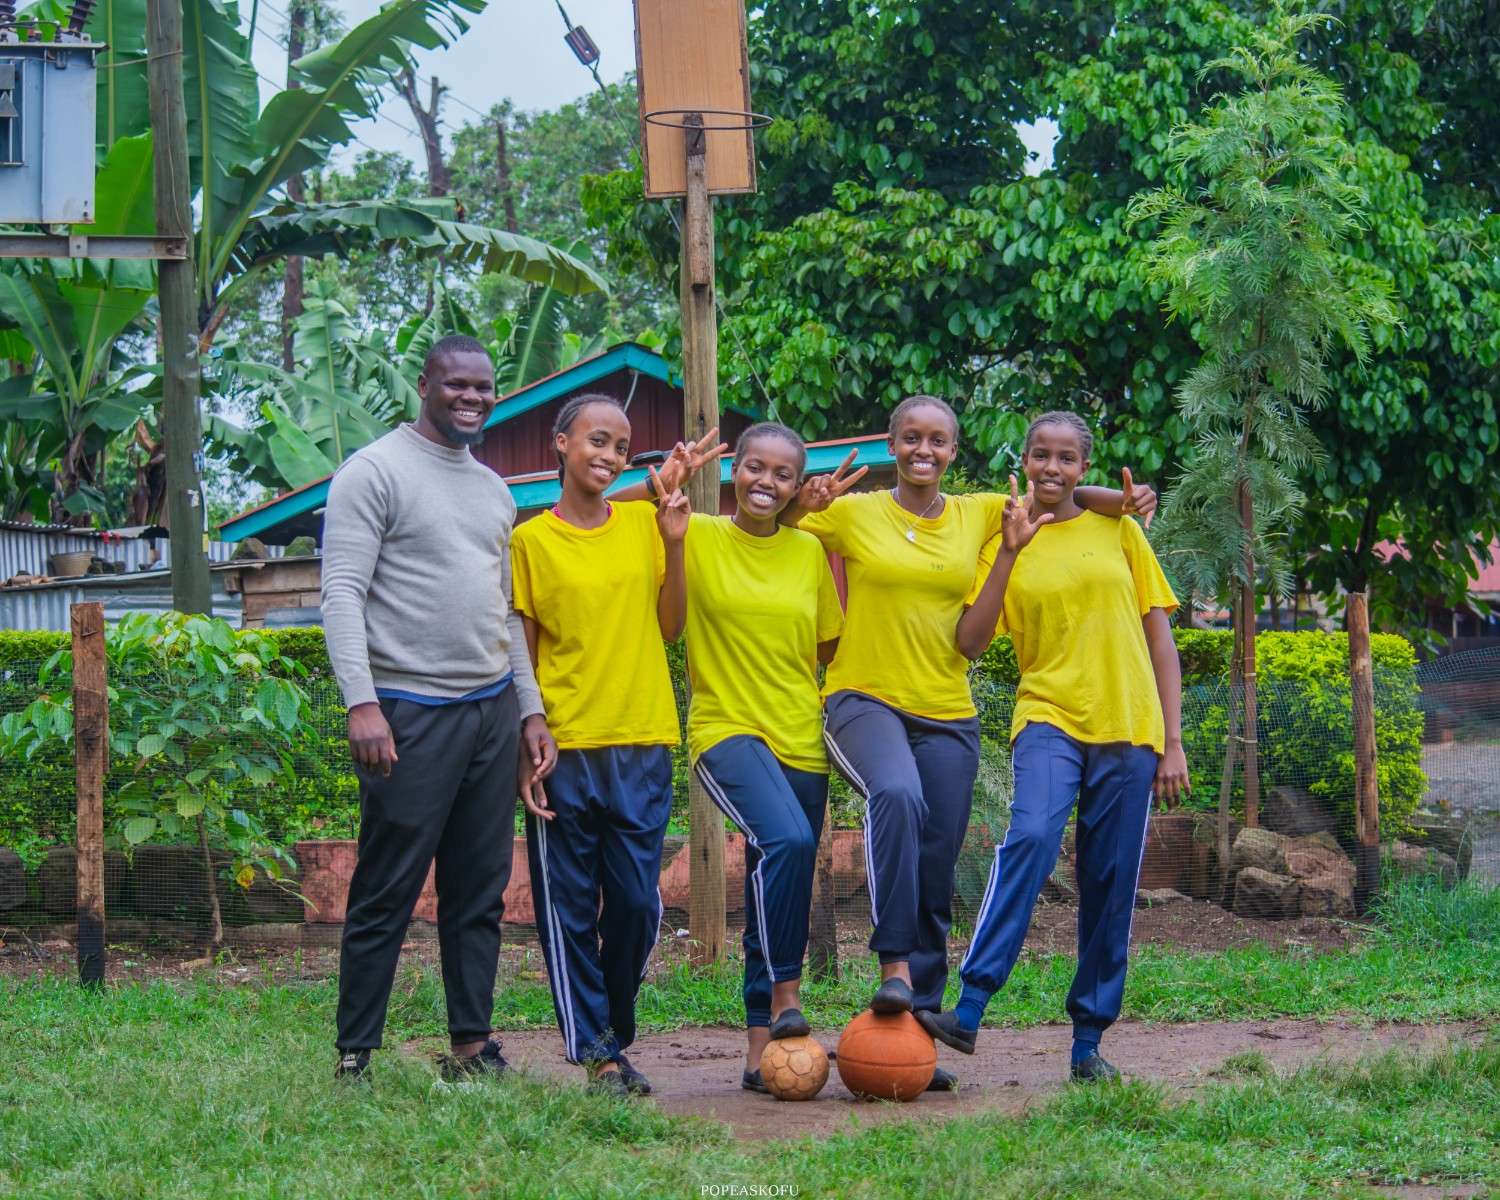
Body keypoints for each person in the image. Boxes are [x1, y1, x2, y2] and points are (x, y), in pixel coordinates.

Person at [789, 395, 1154, 1091]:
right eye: (911, 438)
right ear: (892, 443)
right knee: (904, 798)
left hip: (961, 712)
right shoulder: (862, 511)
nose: (924, 450)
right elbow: (781, 519)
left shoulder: (982, 513)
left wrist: (1130, 500)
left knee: (939, 852)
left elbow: (1063, 496)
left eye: (938, 440)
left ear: (955, 452)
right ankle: (900, 970)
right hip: (873, 699)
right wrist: (802, 502)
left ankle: (922, 1023)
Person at [917, 411, 1189, 1083]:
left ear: (1083, 469)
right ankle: (971, 1007)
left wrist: (1174, 740)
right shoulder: (1004, 537)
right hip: (1048, 716)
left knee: (1110, 880)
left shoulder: (1118, 528)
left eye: (1066, 458)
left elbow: (1160, 639)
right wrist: (1008, 552)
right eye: (1041, 454)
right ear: (1026, 458)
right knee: (1033, 834)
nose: (1051, 468)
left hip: (1129, 726)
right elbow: (971, 643)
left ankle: (1088, 1043)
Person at [320, 334, 557, 1082]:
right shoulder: (374, 473)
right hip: (408, 711)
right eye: (457, 385)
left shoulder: (493, 489)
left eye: (484, 388)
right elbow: (341, 594)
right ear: (424, 384)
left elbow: (504, 610)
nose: (472, 398)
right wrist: (362, 703)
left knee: (478, 888)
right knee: (387, 887)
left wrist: (529, 710)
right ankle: (355, 1052)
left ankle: (468, 1047)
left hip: (489, 710)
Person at [510, 393, 698, 1099]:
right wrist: (525, 746)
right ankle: (596, 1051)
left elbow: (672, 626)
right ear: (560, 444)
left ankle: (612, 1026)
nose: (609, 455)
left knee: (637, 906)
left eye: (620, 446)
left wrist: (675, 545)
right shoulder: (530, 543)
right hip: (565, 749)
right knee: (568, 907)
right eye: (595, 440)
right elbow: (522, 659)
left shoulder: (649, 526)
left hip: (644, 739)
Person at [681, 423, 844, 1093]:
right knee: (788, 838)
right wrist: (666, 476)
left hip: (799, 733)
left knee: (778, 872)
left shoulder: (807, 553)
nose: (764, 482)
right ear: (733, 470)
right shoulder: (695, 534)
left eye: (781, 473)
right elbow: (613, 517)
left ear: (795, 484)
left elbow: (827, 645)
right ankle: (785, 997)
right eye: (754, 467)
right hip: (725, 727)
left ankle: (757, 1051)